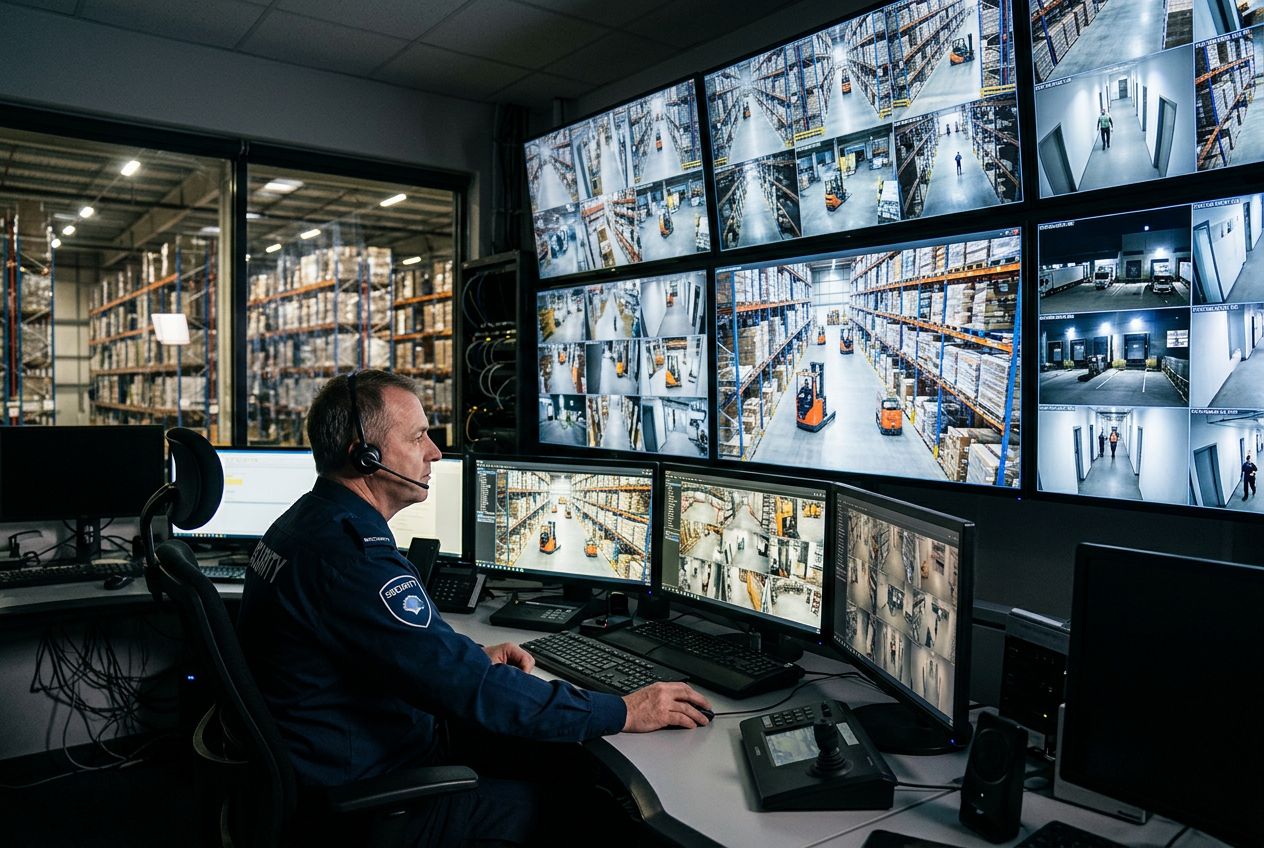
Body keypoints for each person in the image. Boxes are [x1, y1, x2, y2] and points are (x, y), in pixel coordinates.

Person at [236, 371, 711, 848]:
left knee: (556, 760)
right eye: (418, 437)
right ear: (366, 455)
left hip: (342, 763)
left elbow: (389, 651)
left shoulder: (305, 523)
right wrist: (624, 709)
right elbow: (473, 691)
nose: (435, 453)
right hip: (374, 804)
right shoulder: (356, 560)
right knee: (598, 816)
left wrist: (467, 658)